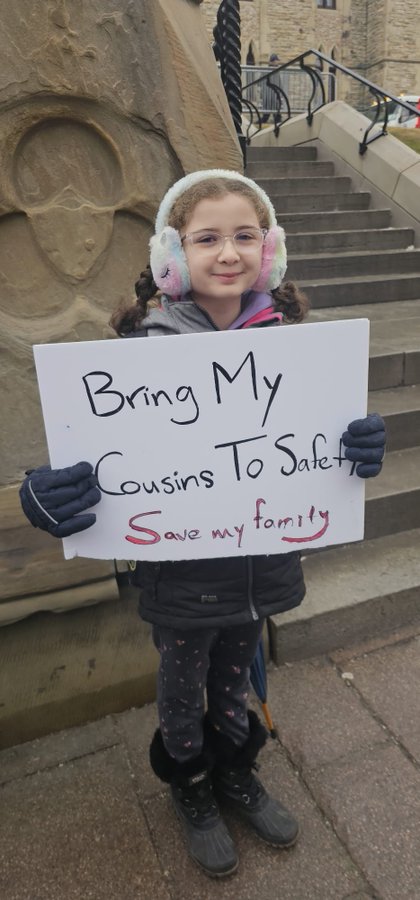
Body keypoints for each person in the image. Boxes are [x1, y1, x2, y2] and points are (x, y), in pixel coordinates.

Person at [19, 170, 386, 879]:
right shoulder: (139, 356)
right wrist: (45, 494)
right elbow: (88, 450)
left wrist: (355, 453)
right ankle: (191, 784)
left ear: (269, 251)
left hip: (261, 573)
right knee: (182, 690)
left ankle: (236, 771)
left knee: (233, 685)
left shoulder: (297, 350)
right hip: (182, 582)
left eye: (245, 236)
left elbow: (318, 448)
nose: (228, 252)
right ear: (171, 257)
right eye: (207, 237)